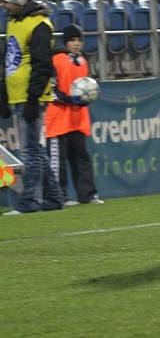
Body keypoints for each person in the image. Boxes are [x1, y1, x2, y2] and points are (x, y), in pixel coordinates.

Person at [0, 0, 60, 215]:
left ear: (17, 1)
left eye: (5, 2)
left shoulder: (39, 25)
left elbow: (42, 65)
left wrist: (33, 99)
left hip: (29, 95)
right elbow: (9, 60)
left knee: (29, 151)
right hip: (19, 93)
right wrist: (4, 94)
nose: (2, 6)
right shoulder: (15, 22)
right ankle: (54, 197)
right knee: (34, 149)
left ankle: (29, 201)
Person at [44, 24, 103, 206]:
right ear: (66, 41)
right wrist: (71, 99)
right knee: (58, 160)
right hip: (58, 117)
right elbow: (51, 90)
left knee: (81, 157)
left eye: (79, 40)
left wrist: (87, 98)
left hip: (78, 118)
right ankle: (59, 195)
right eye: (72, 40)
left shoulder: (83, 61)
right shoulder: (55, 59)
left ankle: (87, 195)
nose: (76, 44)